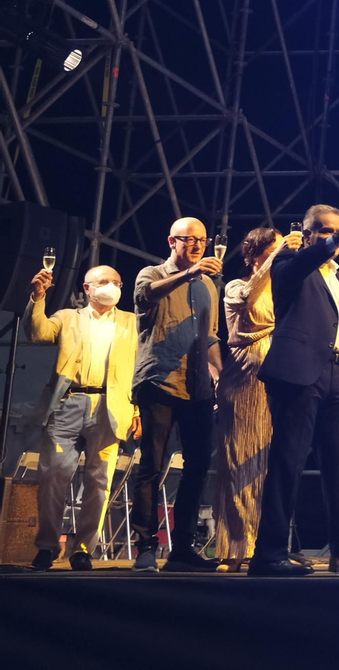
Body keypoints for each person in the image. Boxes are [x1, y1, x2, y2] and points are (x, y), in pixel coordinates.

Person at [249, 204, 339, 576]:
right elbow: (299, 265)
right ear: (307, 233)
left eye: (334, 231)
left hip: (338, 377)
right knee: (288, 462)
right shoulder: (289, 263)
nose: (329, 236)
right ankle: (269, 554)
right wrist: (335, 239)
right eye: (321, 230)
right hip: (298, 375)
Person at [25, 264, 140, 570]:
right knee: (53, 476)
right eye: (104, 281)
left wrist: (137, 410)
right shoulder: (68, 317)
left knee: (99, 481)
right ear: (87, 288)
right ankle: (48, 546)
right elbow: (38, 333)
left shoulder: (132, 322)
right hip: (69, 401)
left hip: (111, 406)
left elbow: (140, 370)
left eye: (117, 282)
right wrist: (38, 297)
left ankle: (84, 549)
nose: (112, 286)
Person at [130, 217, 224, 572]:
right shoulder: (151, 274)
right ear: (172, 241)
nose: (198, 245)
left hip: (197, 386)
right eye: (189, 240)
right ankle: (145, 547)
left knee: (198, 466)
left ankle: (182, 547)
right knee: (152, 466)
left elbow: (210, 336)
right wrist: (189, 274)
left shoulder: (209, 288)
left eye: (202, 240)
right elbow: (145, 297)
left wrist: (221, 373)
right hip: (159, 381)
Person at [216, 227, 296, 571]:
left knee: (270, 466)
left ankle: (269, 546)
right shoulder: (237, 285)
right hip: (244, 380)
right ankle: (234, 548)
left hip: (277, 378)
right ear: (255, 256)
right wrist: (280, 255)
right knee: (238, 462)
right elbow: (248, 296)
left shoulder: (282, 288)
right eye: (272, 251)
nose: (279, 255)